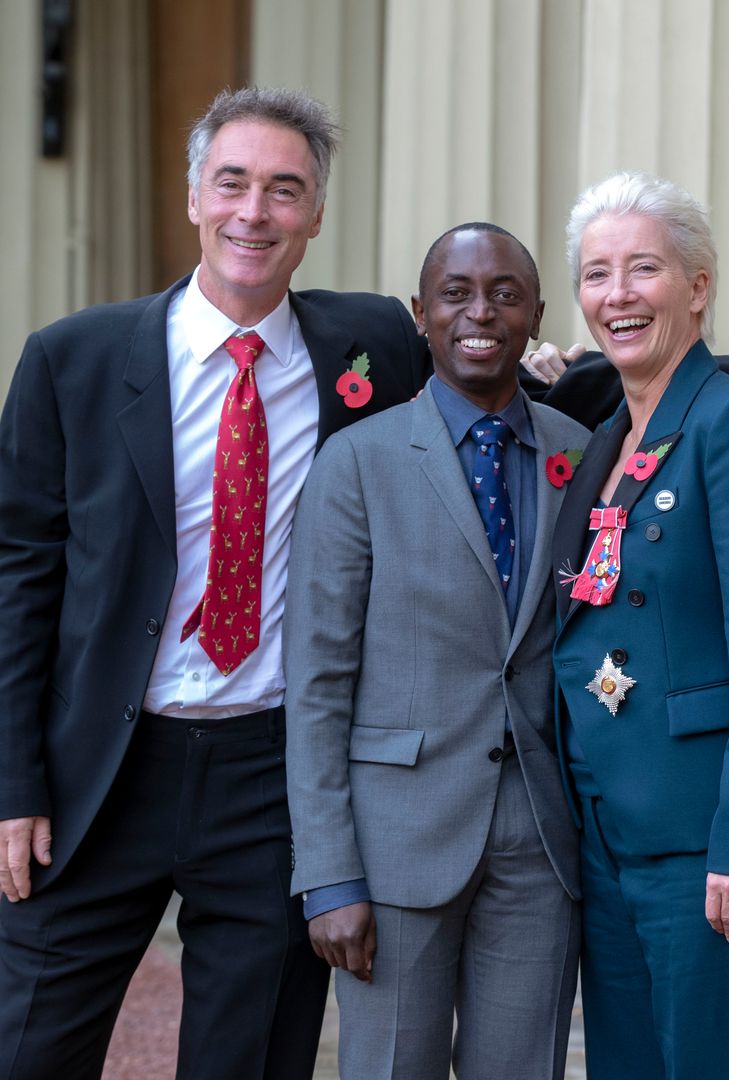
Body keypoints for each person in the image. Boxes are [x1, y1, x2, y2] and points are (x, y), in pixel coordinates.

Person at [0, 87, 434, 1078]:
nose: (255, 212)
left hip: (273, 778)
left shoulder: (369, 346)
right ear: (195, 194)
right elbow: (17, 580)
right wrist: (12, 783)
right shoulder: (74, 360)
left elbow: (501, 369)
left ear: (316, 216)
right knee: (28, 1050)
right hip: (96, 774)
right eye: (233, 183)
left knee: (248, 1061)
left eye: (286, 190)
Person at [282, 223, 589, 1080]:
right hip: (392, 849)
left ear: (535, 314)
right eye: (455, 293)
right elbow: (316, 684)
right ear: (420, 314)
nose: (478, 312)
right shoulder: (356, 463)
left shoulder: (582, 456)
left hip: (539, 843)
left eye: (503, 293)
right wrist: (330, 877)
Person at [549, 172, 729, 1079]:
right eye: (596, 274)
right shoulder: (603, 438)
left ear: (698, 286)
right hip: (608, 837)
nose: (616, 295)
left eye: (643, 270)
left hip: (710, 845)